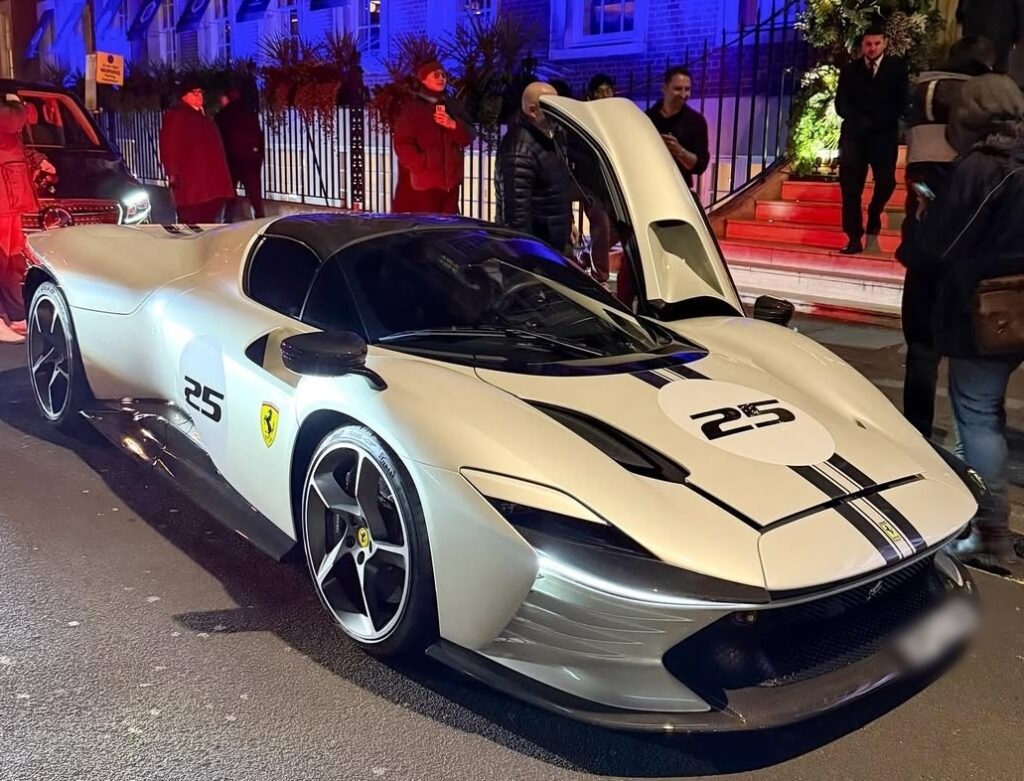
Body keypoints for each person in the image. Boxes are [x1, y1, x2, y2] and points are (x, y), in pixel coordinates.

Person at [898, 72, 1024, 568]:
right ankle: (969, 509)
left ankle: (990, 533)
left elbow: (940, 248)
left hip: (986, 308)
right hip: (1016, 307)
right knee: (981, 413)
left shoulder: (983, 167)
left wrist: (924, 217)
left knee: (977, 414)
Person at [899, 36, 996, 439]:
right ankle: (967, 436)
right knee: (968, 356)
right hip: (966, 252)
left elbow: (916, 170)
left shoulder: (922, 94)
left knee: (921, 351)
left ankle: (917, 428)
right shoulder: (978, 106)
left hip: (924, 244)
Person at [835, 27, 910, 255]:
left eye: (877, 43)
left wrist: (879, 120)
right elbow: (841, 104)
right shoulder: (850, 70)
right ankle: (854, 237)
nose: (872, 48)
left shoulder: (896, 68)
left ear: (885, 43)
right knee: (850, 189)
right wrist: (859, 120)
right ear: (862, 45)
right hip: (854, 137)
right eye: (868, 44)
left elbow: (902, 102)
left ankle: (875, 213)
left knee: (886, 182)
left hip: (883, 135)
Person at [0, 97, 55, 345]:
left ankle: (16, 314)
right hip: (2, 204)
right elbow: (14, 119)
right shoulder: (6, 116)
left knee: (13, 261)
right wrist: (18, 105)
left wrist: (38, 159)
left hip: (11, 204)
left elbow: (16, 145)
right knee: (3, 260)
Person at [495, 82, 573, 252]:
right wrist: (529, 258)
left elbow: (555, 190)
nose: (558, 113)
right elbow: (517, 218)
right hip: (538, 251)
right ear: (532, 110)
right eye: (552, 107)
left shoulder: (548, 138)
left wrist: (567, 224)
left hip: (550, 244)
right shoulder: (519, 149)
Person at [391, 60, 475, 214]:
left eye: (443, 74)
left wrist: (453, 125)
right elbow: (402, 144)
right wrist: (423, 163)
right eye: (436, 75)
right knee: (428, 230)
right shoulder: (412, 108)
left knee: (448, 231)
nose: (441, 78)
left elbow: (469, 136)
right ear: (423, 79)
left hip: (451, 184)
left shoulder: (453, 106)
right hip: (425, 186)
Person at [159, 79, 235, 224]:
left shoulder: (204, 115)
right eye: (195, 93)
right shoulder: (178, 116)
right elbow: (170, 146)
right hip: (192, 186)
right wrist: (173, 175)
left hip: (212, 187)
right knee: (191, 224)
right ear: (184, 97)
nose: (199, 95)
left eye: (200, 92)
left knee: (209, 224)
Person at [645, 66, 710, 193]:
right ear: (664, 88)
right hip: (647, 186)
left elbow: (700, 166)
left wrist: (678, 150)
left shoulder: (696, 122)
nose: (683, 94)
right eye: (678, 89)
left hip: (678, 190)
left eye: (687, 89)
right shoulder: (646, 118)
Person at [215, 85, 266, 221]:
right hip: (250, 161)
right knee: (255, 195)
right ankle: (260, 219)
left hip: (232, 161)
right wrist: (258, 157)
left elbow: (218, 138)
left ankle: (227, 221)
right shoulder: (249, 113)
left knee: (230, 195)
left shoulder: (223, 115)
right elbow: (259, 136)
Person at [956, 0, 1024, 73]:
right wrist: (1017, 36)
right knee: (998, 69)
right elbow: (1019, 9)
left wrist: (960, 16)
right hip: (1002, 30)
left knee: (971, 65)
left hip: (975, 26)